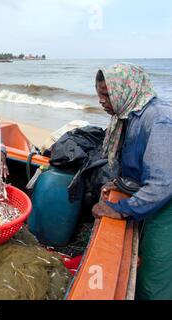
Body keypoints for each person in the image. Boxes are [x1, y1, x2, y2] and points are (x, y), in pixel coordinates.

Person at [91, 63, 172, 300]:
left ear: (126, 89)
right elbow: (137, 165)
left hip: (166, 209)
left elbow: (162, 183)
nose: (102, 101)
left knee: (153, 280)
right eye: (99, 95)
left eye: (106, 94)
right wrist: (121, 185)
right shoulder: (131, 115)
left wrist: (122, 210)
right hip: (151, 202)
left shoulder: (159, 120)